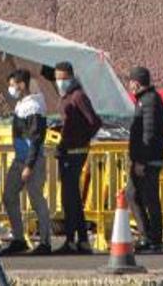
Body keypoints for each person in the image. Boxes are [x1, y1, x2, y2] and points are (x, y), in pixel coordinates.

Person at [52, 61, 101, 255]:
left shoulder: (78, 96)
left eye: (64, 78)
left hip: (75, 153)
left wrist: (80, 140)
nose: (60, 82)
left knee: (71, 197)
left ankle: (75, 240)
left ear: (71, 77)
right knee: (70, 199)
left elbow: (94, 122)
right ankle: (78, 240)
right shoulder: (66, 97)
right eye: (57, 78)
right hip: (67, 151)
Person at [2, 69, 52, 256]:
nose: (11, 88)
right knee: (8, 196)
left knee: (36, 198)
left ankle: (45, 242)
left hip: (31, 160)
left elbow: (36, 138)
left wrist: (29, 165)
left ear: (22, 84)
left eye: (13, 84)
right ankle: (18, 238)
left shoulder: (34, 107)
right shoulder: (22, 105)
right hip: (20, 159)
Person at [126, 66, 163, 252]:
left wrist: (141, 160)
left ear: (137, 82)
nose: (129, 85)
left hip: (147, 160)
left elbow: (148, 133)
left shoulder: (148, 101)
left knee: (149, 198)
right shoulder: (143, 100)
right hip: (142, 159)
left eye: (130, 81)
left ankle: (153, 239)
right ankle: (147, 236)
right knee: (133, 195)